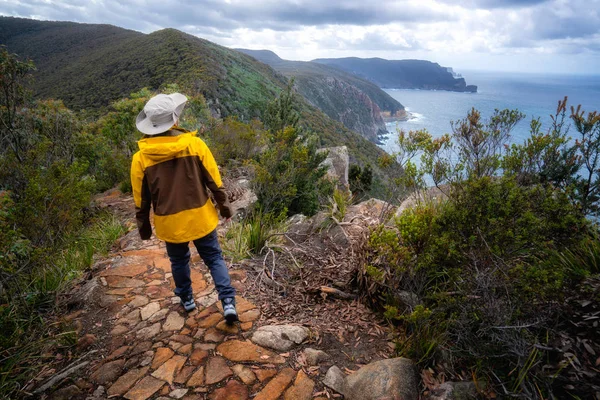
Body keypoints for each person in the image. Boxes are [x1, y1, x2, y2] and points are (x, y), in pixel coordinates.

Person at [130, 93, 238, 324]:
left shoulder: (141, 158)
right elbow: (214, 181)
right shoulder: (195, 144)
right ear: (175, 121)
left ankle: (187, 299)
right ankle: (228, 302)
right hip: (200, 216)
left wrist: (145, 230)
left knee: (179, 261)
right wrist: (225, 209)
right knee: (214, 258)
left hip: (170, 222)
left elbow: (141, 200)